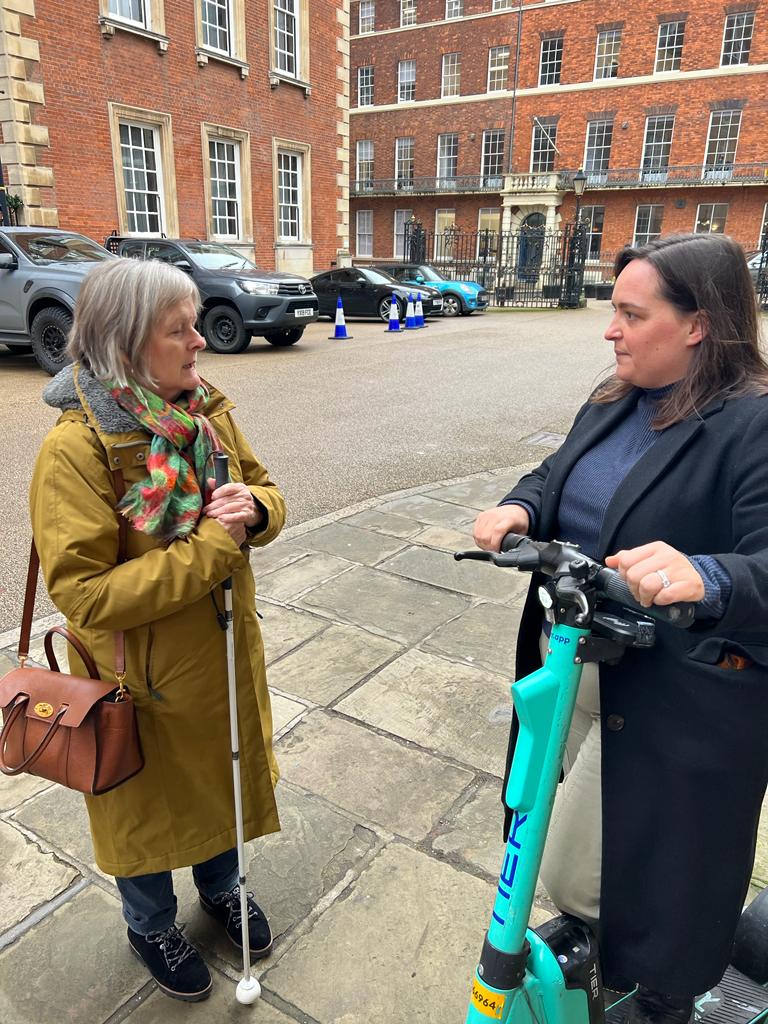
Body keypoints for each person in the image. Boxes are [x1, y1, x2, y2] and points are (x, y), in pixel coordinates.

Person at [473, 233, 768, 1024]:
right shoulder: (615, 396)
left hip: (670, 694)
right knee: (547, 840)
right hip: (570, 666)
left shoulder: (753, 427)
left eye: (632, 315)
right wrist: (523, 506)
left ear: (698, 325)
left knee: (584, 875)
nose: (612, 330)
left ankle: (659, 994)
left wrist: (709, 576)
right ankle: (616, 965)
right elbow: (556, 472)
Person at [30, 258, 286, 1003]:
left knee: (221, 779)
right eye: (179, 330)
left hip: (221, 654)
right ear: (126, 343)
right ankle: (149, 923)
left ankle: (222, 887)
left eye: (196, 323)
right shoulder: (75, 451)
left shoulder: (205, 412)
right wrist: (212, 546)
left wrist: (258, 512)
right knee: (143, 808)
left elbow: (265, 489)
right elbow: (83, 593)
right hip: (134, 679)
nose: (199, 341)